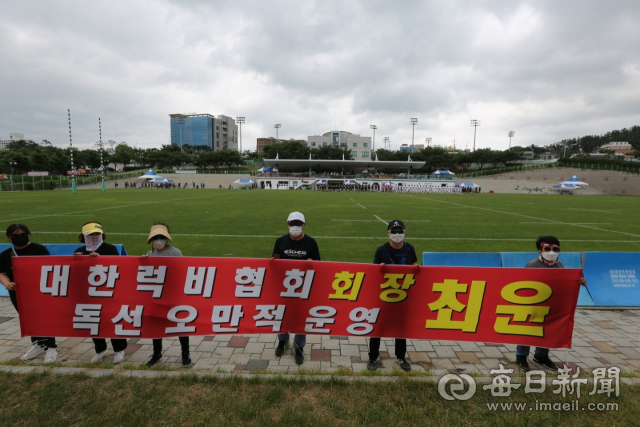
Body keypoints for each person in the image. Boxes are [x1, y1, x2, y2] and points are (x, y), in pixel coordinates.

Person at [515, 236, 587, 372]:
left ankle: (541, 355)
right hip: (533, 306)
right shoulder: (532, 265)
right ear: (539, 250)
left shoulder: (560, 266)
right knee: (528, 330)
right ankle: (521, 356)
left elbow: (565, 285)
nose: (551, 252)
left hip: (551, 306)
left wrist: (579, 282)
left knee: (547, 330)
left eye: (555, 249)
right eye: (547, 248)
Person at [0, 224, 58, 363]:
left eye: (23, 234)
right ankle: (38, 344)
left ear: (28, 234)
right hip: (18, 293)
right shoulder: (5, 254)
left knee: (43, 318)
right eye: (15, 236)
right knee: (28, 319)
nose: (20, 237)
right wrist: (7, 283)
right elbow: (2, 273)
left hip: (39, 292)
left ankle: (51, 347)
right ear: (9, 238)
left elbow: (48, 268)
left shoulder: (39, 249)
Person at [74, 221, 128, 364]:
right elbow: (75, 273)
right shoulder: (80, 250)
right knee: (94, 321)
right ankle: (100, 349)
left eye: (97, 234)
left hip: (109, 293)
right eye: (90, 234)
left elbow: (119, 268)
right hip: (89, 294)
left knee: (113, 319)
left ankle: (119, 349)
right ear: (83, 236)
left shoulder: (110, 249)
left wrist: (101, 259)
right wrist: (76, 260)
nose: (94, 237)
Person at [367, 220, 418, 372]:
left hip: (403, 295)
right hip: (384, 295)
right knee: (378, 327)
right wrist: (380, 269)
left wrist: (415, 269)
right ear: (388, 233)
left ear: (404, 233)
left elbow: (412, 268)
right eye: (394, 232)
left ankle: (401, 357)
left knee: (401, 328)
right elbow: (374, 274)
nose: (397, 235)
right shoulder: (381, 250)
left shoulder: (409, 248)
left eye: (400, 231)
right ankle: (372, 357)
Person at [272, 212, 321, 365]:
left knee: (301, 317)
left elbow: (319, 263)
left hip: (304, 288)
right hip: (284, 287)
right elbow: (275, 261)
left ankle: (299, 347)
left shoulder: (311, 242)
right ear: (287, 224)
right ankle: (282, 341)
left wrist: (312, 262)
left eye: (298, 224)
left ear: (303, 225)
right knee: (282, 314)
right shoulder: (280, 241)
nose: (295, 227)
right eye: (292, 224)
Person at [143, 223, 191, 368]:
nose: (158, 240)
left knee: (180, 323)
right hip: (157, 295)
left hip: (173, 294)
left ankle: (185, 353)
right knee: (156, 324)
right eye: (155, 238)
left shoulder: (175, 252)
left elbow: (182, 271)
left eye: (161, 237)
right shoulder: (150, 254)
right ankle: (157, 353)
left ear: (166, 238)